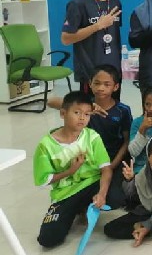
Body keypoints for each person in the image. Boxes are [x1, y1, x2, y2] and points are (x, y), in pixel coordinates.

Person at [33, 91, 112, 248]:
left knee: (116, 194)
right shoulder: (46, 145)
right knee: (47, 239)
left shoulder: (92, 136)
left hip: (91, 184)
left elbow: (106, 169)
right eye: (77, 113)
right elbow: (43, 180)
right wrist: (70, 171)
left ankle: (85, 206)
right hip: (65, 193)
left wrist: (102, 194)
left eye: (87, 114)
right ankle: (77, 209)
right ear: (63, 113)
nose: (82, 118)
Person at [47, 64, 132, 208]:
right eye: (97, 83)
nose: (101, 88)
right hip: (87, 159)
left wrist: (112, 165)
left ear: (116, 87)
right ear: (90, 84)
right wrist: (88, 107)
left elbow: (126, 141)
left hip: (113, 159)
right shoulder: (84, 106)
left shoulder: (123, 110)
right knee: (75, 191)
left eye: (106, 84)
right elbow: (51, 102)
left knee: (115, 200)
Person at [61, 0, 122, 94]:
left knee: (113, 106)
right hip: (91, 73)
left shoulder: (115, 1)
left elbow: (113, 35)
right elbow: (65, 39)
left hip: (113, 71)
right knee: (91, 108)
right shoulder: (77, 4)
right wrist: (97, 26)